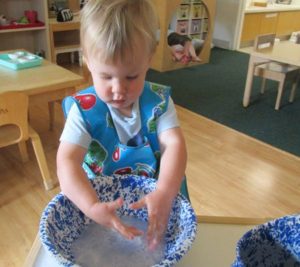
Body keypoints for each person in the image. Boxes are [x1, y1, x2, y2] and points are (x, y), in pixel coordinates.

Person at [56, 0, 187, 250]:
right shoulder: (83, 111)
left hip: (154, 198)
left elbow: (174, 145)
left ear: (148, 59)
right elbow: (67, 162)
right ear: (87, 61)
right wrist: (92, 207)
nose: (118, 89)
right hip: (99, 204)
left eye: (131, 76)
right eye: (106, 76)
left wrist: (164, 192)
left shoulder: (159, 103)